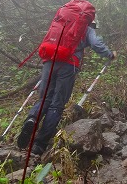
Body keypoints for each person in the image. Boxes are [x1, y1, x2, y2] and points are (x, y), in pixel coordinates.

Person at [17, 17, 116, 156]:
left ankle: (32, 119)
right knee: (57, 104)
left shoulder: (63, 24)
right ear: (91, 22)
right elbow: (95, 43)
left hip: (49, 61)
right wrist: (109, 54)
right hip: (68, 65)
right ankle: (39, 145)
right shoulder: (87, 29)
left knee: (44, 99)